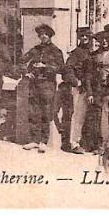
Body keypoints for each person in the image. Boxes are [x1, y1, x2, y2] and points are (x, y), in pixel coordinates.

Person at [19, 24, 65, 153]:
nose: (43, 37)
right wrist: (25, 72)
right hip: (34, 85)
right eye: (40, 35)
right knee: (34, 112)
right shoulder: (35, 49)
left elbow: (62, 68)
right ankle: (34, 140)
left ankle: (43, 141)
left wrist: (46, 66)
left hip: (47, 85)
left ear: (50, 36)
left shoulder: (56, 51)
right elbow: (22, 60)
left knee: (46, 112)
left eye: (45, 34)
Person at [59, 27, 93, 153]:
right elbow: (67, 68)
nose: (84, 38)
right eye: (82, 36)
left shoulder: (90, 52)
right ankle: (73, 143)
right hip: (79, 88)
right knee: (77, 116)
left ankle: (82, 141)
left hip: (89, 88)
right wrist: (75, 81)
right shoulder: (76, 52)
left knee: (84, 116)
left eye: (87, 36)